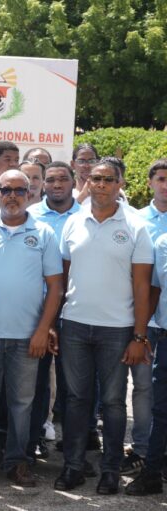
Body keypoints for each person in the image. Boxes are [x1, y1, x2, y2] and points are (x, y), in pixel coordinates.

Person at [55, 160, 153, 494]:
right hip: (75, 325)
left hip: (117, 328)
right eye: (96, 179)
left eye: (109, 180)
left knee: (112, 403)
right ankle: (73, 466)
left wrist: (139, 335)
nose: (101, 185)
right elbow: (63, 276)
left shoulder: (137, 226)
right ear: (88, 182)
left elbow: (142, 286)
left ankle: (110, 470)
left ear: (120, 184)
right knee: (76, 399)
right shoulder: (73, 222)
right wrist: (55, 323)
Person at [0, 170, 63, 487]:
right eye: (6, 190)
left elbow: (56, 288)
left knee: (22, 404)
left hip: (27, 337)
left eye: (20, 190)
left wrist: (42, 330)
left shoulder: (44, 233)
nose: (13, 196)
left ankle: (18, 461)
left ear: (30, 194)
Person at [25, 161, 81, 461]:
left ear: (73, 182)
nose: (57, 185)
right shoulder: (29, 216)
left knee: (75, 386)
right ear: (43, 185)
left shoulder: (86, 217)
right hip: (40, 311)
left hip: (76, 312)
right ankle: (34, 440)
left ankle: (76, 448)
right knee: (38, 382)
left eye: (63, 179)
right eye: (51, 180)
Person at [123, 159, 167, 476]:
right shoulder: (136, 220)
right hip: (143, 318)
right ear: (150, 182)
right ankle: (142, 448)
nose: (166, 185)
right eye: (161, 179)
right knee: (142, 388)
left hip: (164, 321)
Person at [126, 226, 167, 495]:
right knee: (161, 410)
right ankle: (152, 473)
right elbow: (154, 291)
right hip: (165, 338)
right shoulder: (163, 242)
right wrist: (139, 335)